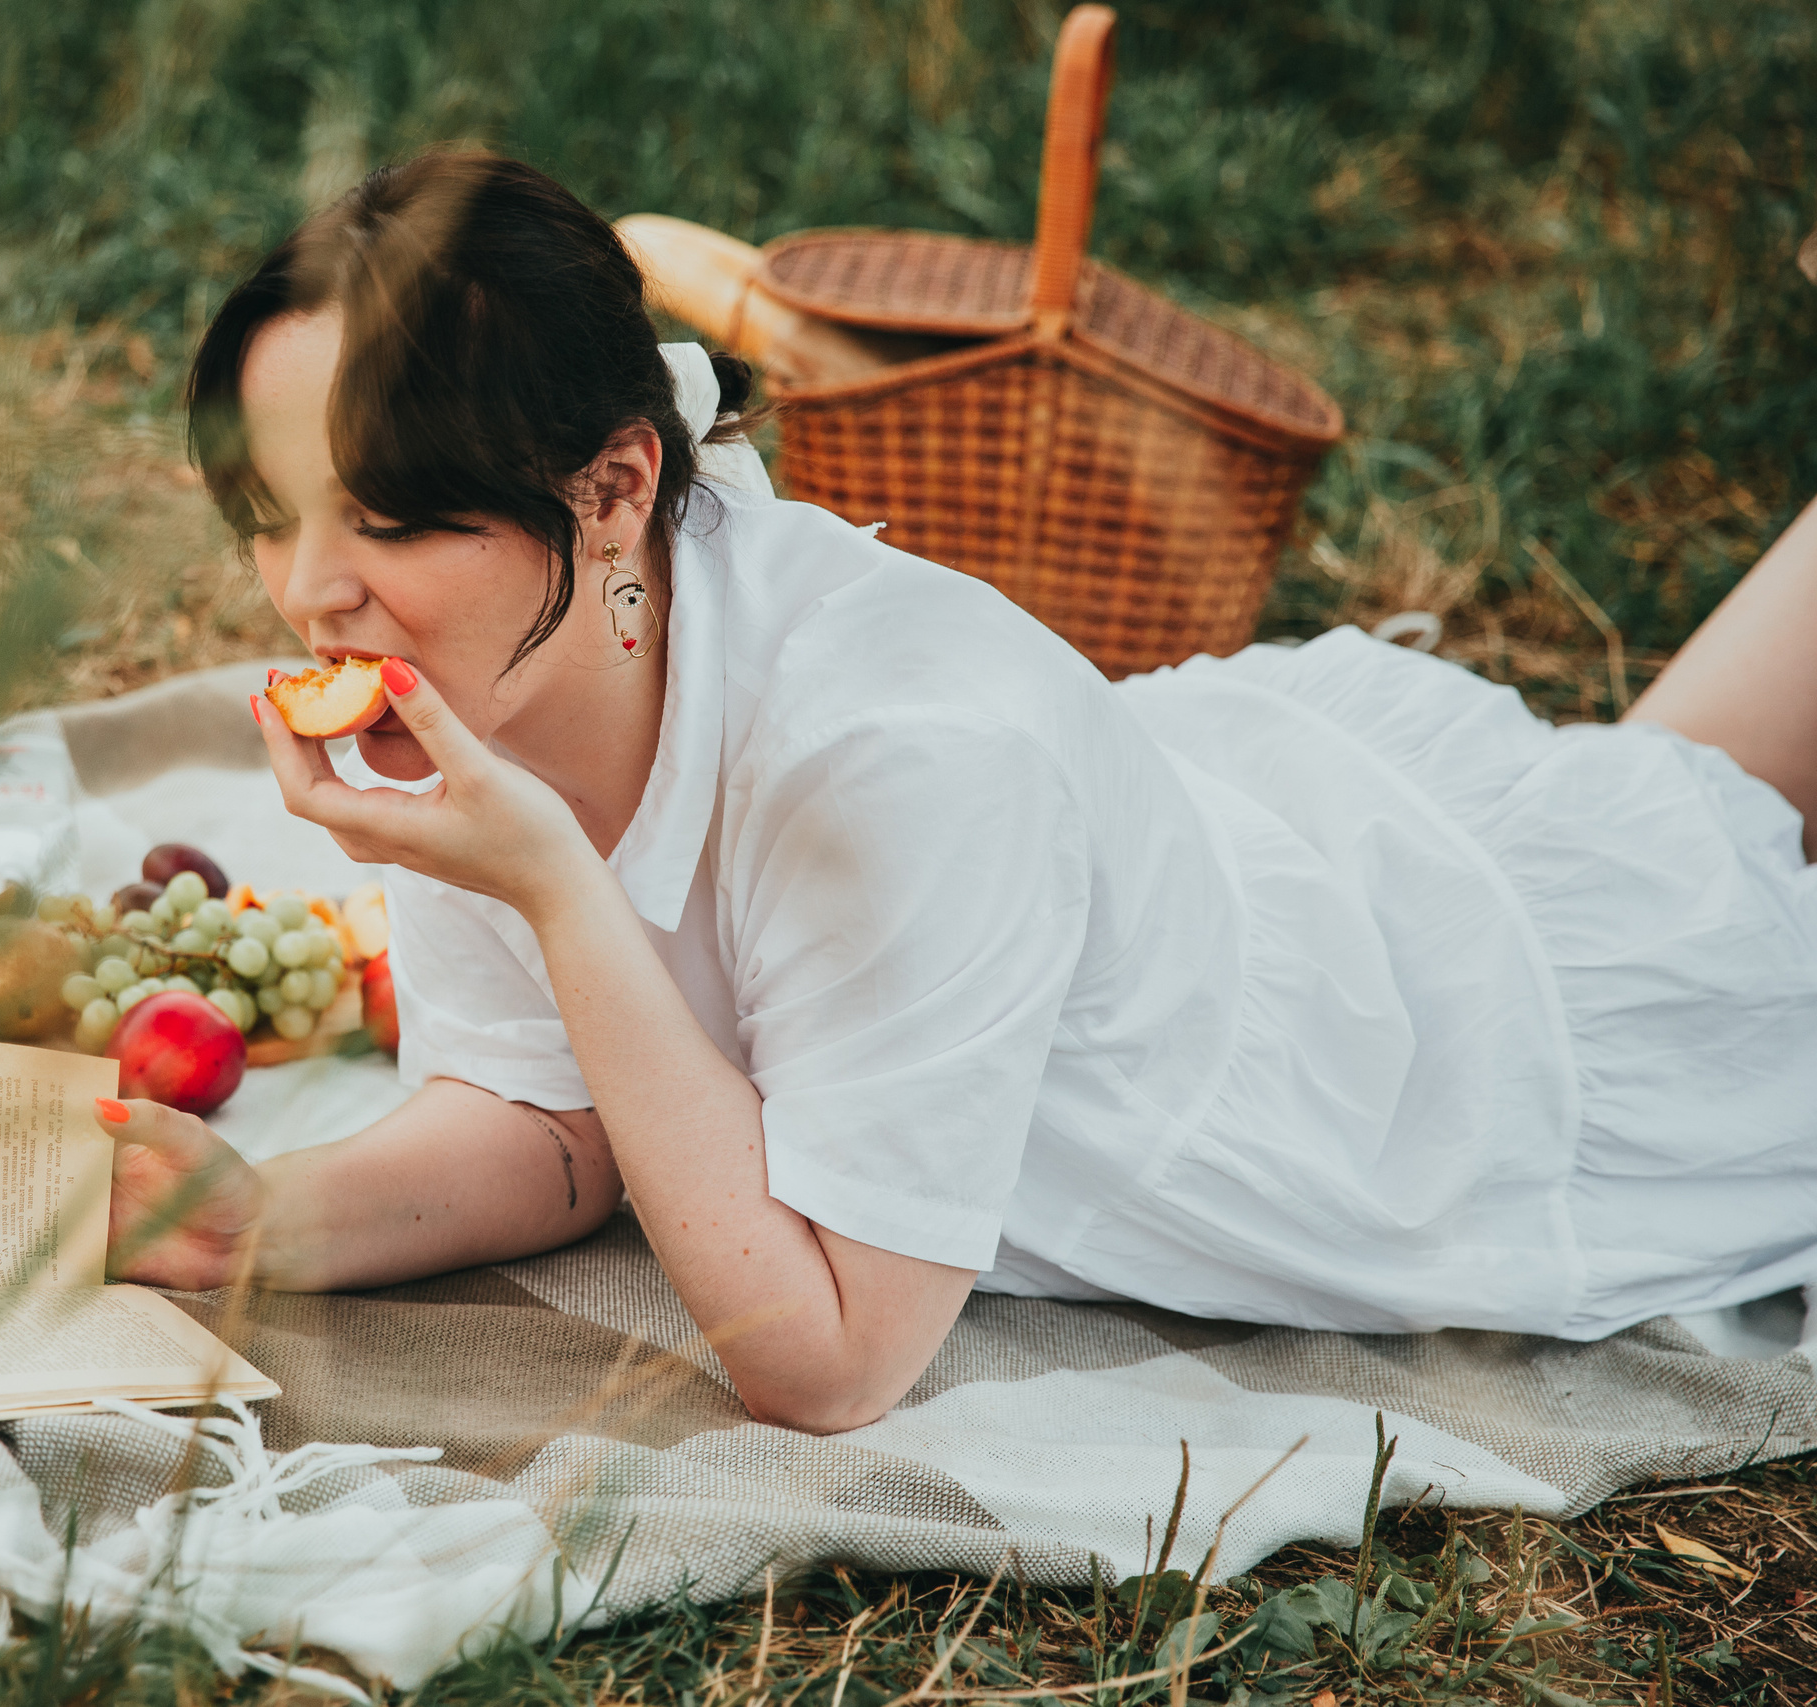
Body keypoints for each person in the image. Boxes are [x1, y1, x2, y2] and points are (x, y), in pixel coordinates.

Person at [97, 152, 1817, 1435]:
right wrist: (259, 1217)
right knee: (1667, 803)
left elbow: (831, 1359)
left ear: (616, 486)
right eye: (269, 512)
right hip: (1233, 839)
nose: (311, 591)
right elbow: (556, 1131)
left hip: (1411, 1054)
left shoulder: (893, 760)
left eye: (390, 520)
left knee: (1697, 898)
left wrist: (554, 888)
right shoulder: (510, 680)